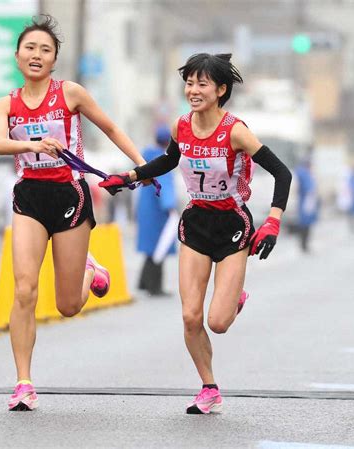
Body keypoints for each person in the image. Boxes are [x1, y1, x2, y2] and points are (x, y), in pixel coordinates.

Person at [99, 53, 292, 414]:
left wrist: (273, 221)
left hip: (233, 226)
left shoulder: (235, 130)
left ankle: (234, 297)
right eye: (189, 82)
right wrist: (128, 177)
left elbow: (282, 173)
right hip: (196, 222)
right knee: (190, 316)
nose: (193, 90)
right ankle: (209, 387)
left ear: (221, 90)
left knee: (217, 322)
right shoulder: (181, 126)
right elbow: (169, 161)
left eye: (202, 83)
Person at [0, 15, 146, 411]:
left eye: (45, 49)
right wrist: (34, 146)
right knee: (24, 289)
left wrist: (141, 167)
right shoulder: (4, 104)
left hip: (70, 197)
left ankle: (92, 270)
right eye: (30, 48)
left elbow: (110, 128)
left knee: (68, 306)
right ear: (17, 56)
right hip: (29, 197)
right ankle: (23, 382)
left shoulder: (70, 94)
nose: (36, 55)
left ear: (55, 59)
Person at [137, 124, 178, 296]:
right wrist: (170, 207)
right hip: (158, 212)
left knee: (150, 249)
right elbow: (164, 184)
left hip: (144, 209)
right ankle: (155, 286)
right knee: (159, 248)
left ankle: (144, 282)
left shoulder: (145, 156)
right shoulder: (162, 158)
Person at [295, 158, 319, 252]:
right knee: (304, 224)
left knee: (307, 223)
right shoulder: (303, 173)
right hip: (306, 201)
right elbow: (308, 188)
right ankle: (303, 245)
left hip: (307, 201)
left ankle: (305, 245)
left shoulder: (306, 173)